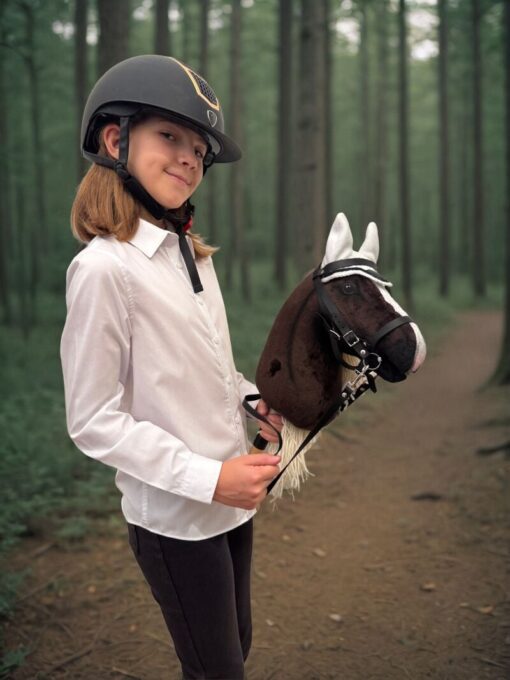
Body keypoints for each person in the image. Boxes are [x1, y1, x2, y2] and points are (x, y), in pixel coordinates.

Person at [60, 54, 283, 680]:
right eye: (170, 137)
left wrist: (251, 401)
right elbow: (93, 420)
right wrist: (208, 479)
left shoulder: (193, 257)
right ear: (115, 140)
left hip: (232, 501)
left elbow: (209, 368)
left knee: (234, 645)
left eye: (199, 149)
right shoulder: (105, 269)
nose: (190, 157)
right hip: (176, 519)